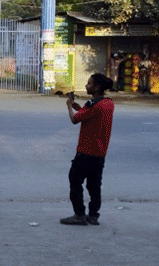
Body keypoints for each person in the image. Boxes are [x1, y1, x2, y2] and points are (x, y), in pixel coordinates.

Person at [60, 73, 115, 226]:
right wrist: (78, 107)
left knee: (75, 180)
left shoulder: (93, 105)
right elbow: (89, 115)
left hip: (86, 151)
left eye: (89, 83)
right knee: (94, 185)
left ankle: (79, 214)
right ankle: (93, 215)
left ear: (96, 87)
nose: (86, 85)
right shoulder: (108, 103)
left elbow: (75, 119)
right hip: (100, 153)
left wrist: (69, 107)